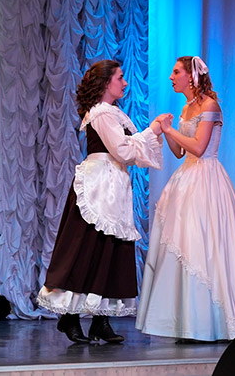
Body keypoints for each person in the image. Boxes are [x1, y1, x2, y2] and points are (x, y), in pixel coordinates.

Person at [136, 56, 235, 342]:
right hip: (186, 180)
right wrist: (167, 130)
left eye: (176, 72)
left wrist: (170, 130)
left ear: (191, 76)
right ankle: (189, 321)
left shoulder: (210, 105)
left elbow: (199, 148)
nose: (171, 77)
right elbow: (179, 153)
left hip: (207, 181)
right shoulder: (186, 107)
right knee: (186, 245)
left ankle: (217, 321)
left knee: (207, 246)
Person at [37, 59, 166, 344]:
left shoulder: (114, 112)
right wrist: (153, 131)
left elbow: (128, 152)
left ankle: (100, 320)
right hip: (98, 187)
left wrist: (149, 135)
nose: (125, 82)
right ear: (106, 82)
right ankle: (70, 316)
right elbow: (122, 150)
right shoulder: (101, 112)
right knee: (86, 248)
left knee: (109, 250)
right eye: (120, 77)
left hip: (113, 186)